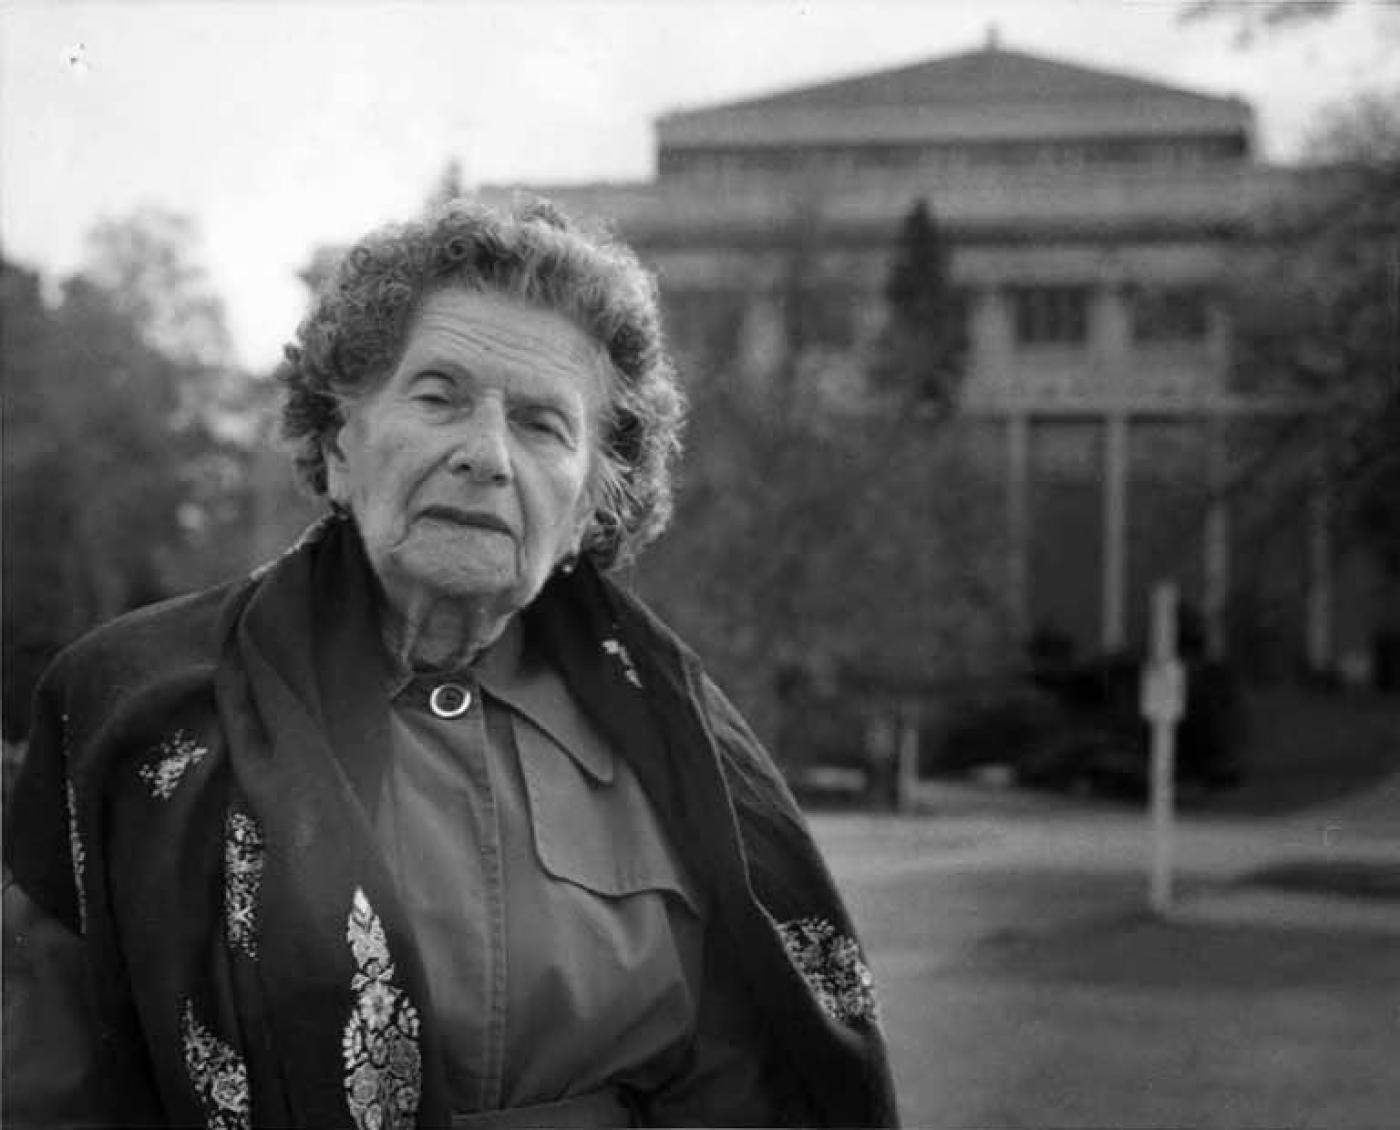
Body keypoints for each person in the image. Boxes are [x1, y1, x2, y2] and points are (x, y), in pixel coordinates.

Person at [3, 198, 898, 1128]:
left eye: (544, 425)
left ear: (595, 505)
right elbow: (44, 1084)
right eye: (438, 397)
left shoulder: (685, 748)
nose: (485, 456)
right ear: (338, 441)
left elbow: (756, 1080)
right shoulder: (133, 708)